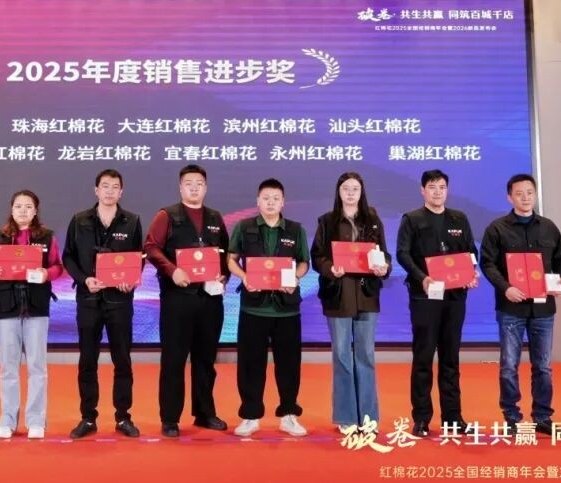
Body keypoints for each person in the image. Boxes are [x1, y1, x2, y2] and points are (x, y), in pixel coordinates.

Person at [479, 173, 561, 435]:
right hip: (512, 307)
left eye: (529, 192)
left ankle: (543, 416)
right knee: (509, 365)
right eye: (519, 193)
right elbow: (488, 263)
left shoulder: (549, 227)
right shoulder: (497, 228)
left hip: (543, 308)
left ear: (535, 194)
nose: (525, 198)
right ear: (510, 197)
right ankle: (512, 416)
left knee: (543, 366)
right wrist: (506, 288)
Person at [144, 164, 230, 438]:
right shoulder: (166, 215)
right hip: (177, 299)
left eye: (199, 183)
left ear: (206, 187)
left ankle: (204, 413)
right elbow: (150, 247)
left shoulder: (215, 217)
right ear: (180, 187)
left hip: (210, 300)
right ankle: (170, 418)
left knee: (206, 360)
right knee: (174, 360)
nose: (194, 187)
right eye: (189, 183)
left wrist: (224, 276)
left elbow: (226, 253)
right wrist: (172, 270)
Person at [395, 168, 479, 437]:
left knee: (450, 358)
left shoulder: (459, 218)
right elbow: (403, 254)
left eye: (442, 187)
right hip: (425, 296)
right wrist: (423, 278)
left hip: (454, 297)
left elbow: (470, 252)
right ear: (422, 190)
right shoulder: (412, 219)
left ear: (447, 190)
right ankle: (421, 418)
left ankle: (453, 418)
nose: (437, 192)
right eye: (432, 187)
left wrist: (472, 273)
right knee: (423, 357)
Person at [62, 169, 144, 439]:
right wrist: (84, 279)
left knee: (123, 360)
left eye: (115, 187)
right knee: (88, 360)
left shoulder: (132, 221)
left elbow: (138, 258)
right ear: (96, 190)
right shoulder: (79, 220)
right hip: (89, 300)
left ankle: (123, 417)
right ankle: (88, 417)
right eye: (105, 186)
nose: (109, 191)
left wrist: (130, 280)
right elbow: (68, 257)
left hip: (120, 301)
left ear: (121, 192)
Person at [226, 178, 311, 437]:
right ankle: (250, 415)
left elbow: (304, 262)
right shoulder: (244, 227)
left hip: (287, 310)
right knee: (251, 364)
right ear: (258, 201)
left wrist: (295, 277)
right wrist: (244, 277)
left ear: (283, 202)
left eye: (275, 198)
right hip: (254, 308)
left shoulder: (295, 229)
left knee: (289, 364)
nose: (271, 202)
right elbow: (231, 259)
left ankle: (288, 415)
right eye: (266, 198)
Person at [310, 171, 392, 431]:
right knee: (343, 356)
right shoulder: (327, 221)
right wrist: (330, 268)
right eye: (346, 188)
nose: (350, 193)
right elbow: (317, 256)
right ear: (339, 191)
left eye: (355, 188)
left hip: (367, 295)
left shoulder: (373, 221)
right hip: (338, 295)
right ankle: (346, 417)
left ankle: (368, 417)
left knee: (366, 355)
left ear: (361, 192)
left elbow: (384, 254)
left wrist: (384, 267)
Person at [0, 189, 64, 439]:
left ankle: (36, 420)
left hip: (36, 306)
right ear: (12, 209)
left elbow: (58, 266)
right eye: (18, 206)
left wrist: (47, 274)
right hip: (7, 306)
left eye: (28, 207)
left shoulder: (47, 237)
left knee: (37, 366)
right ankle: (7, 419)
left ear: (35, 211)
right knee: (8, 367)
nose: (23, 211)